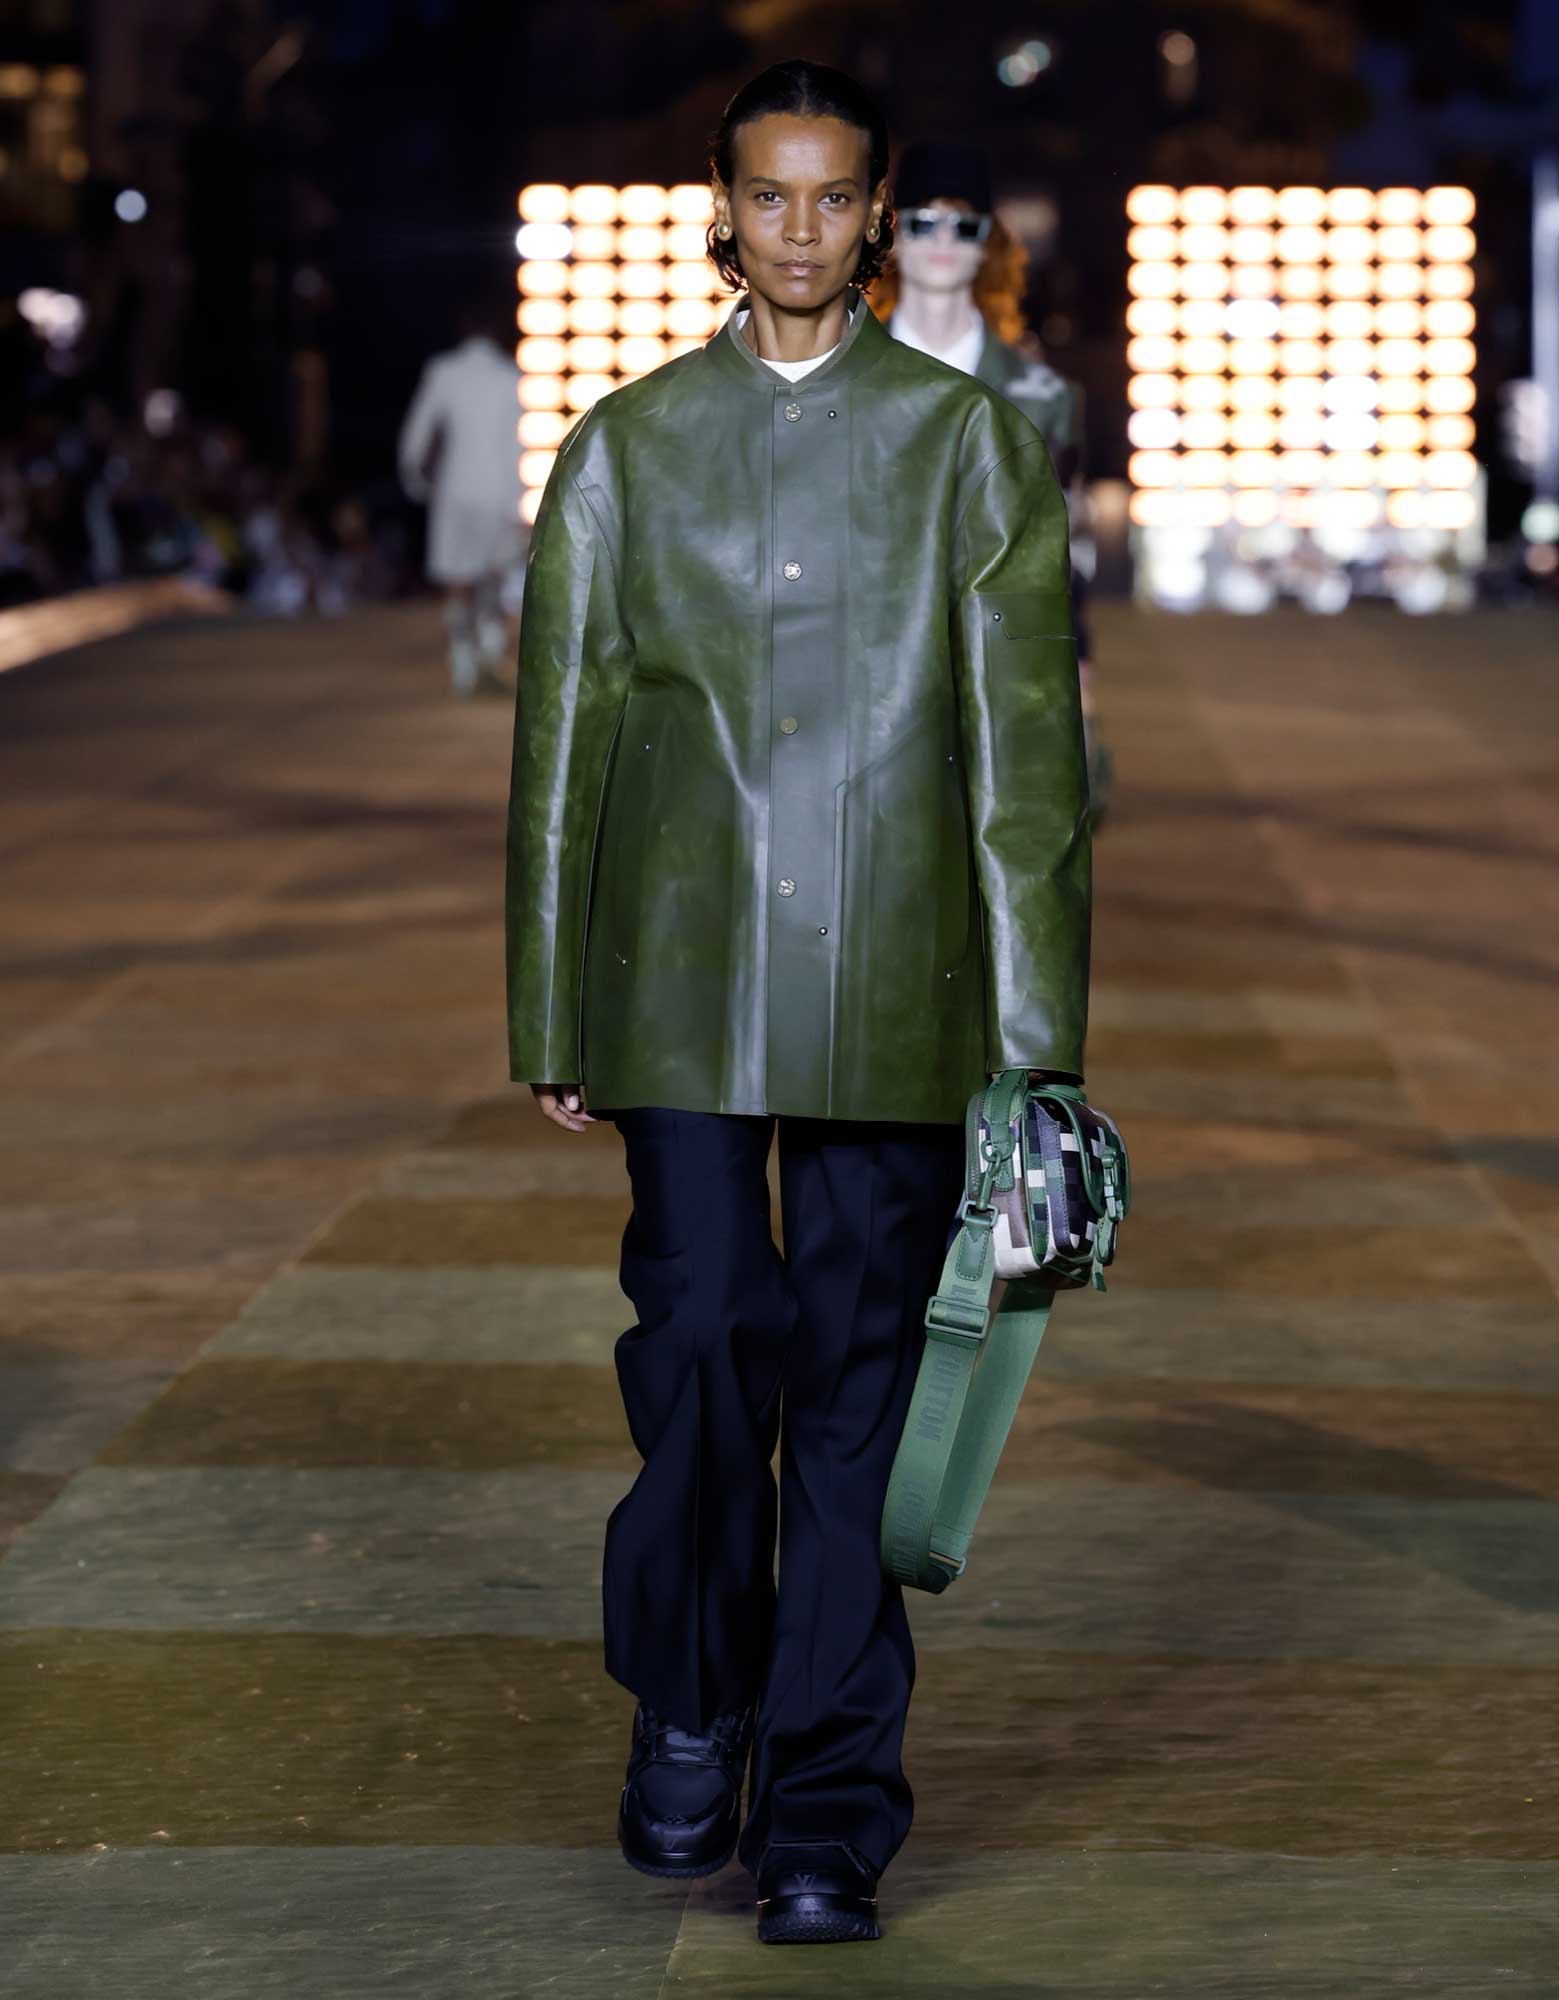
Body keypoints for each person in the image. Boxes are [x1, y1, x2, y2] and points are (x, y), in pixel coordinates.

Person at [505, 60, 1091, 1946]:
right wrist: (549, 1004)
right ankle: (691, 1697)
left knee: (855, 1389)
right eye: (773, 193)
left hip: (899, 974)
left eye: (839, 196)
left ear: (880, 211)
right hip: (677, 976)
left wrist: (1036, 1049)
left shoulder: (965, 444)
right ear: (722, 204)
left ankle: (827, 1807)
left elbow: (1026, 763)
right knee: (695, 1344)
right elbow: (562, 737)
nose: (805, 229)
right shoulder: (626, 448)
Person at [874, 141, 1112, 818]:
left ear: (988, 244)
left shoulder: (1042, 396)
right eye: (924, 221)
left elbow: (1063, 556)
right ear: (893, 236)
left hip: (999, 678)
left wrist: (1078, 677)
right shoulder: (842, 383)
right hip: (867, 678)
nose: (943, 242)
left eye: (965, 224)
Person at [398, 301, 524, 695]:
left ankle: (462, 662)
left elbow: (417, 433)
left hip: (454, 491)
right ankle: (489, 651)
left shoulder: (443, 371)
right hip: (499, 492)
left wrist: (415, 481)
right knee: (493, 575)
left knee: (459, 579)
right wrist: (521, 499)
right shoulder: (511, 376)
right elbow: (518, 444)